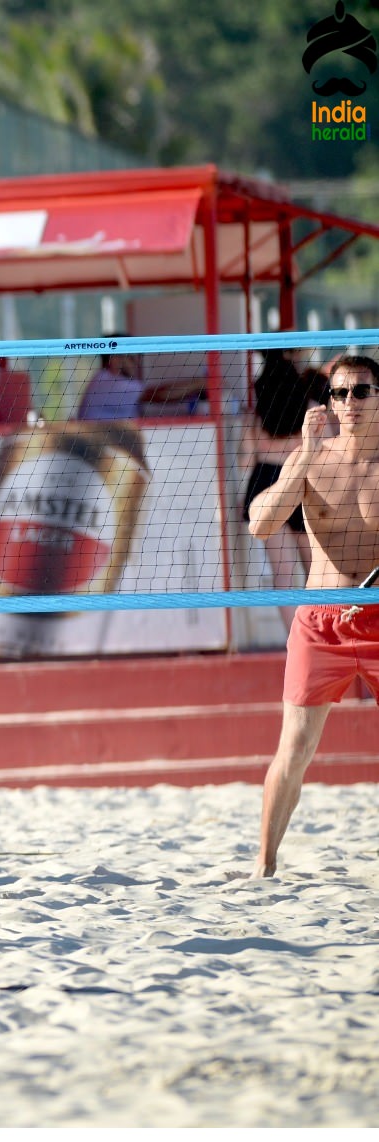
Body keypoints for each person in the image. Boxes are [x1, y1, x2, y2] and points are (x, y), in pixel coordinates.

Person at [249, 353, 379, 878]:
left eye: (362, 391)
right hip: (320, 622)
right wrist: (298, 463)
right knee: (295, 747)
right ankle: (264, 863)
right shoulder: (312, 459)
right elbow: (260, 524)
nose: (350, 402)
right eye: (340, 393)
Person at [244, 349, 315, 628]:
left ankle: (293, 640)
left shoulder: (258, 411)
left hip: (266, 483)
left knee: (283, 574)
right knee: (316, 572)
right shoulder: (310, 406)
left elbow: (246, 460)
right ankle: (321, 635)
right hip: (301, 482)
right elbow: (325, 451)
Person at [75, 342, 144, 421]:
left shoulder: (99, 377)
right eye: (131, 358)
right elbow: (154, 396)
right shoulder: (104, 381)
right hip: (102, 432)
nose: (136, 363)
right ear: (116, 359)